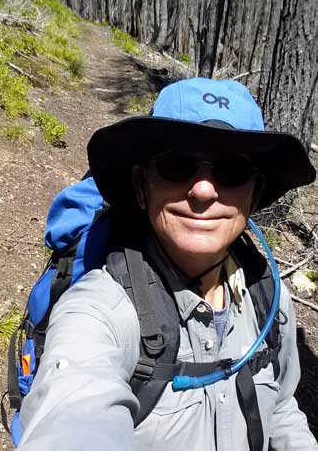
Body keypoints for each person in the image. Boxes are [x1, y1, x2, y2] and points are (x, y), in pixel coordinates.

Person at [17, 78, 317, 451]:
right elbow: (73, 412)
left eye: (233, 170)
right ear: (142, 186)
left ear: (254, 194)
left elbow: (283, 407)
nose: (203, 190)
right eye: (177, 165)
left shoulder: (269, 297)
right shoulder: (100, 310)